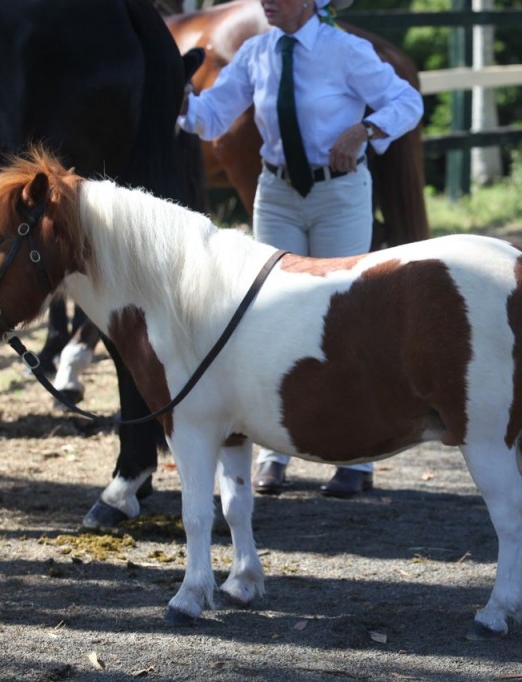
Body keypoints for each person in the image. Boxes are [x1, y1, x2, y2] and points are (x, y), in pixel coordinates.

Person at [178, 0, 424, 498]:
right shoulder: (255, 54)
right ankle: (275, 451)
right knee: (268, 315)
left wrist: (365, 130)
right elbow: (208, 119)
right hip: (278, 195)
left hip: (340, 194)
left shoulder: (346, 51)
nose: (266, 0)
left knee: (349, 317)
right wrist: (174, 91)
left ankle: (360, 458)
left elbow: (407, 103)